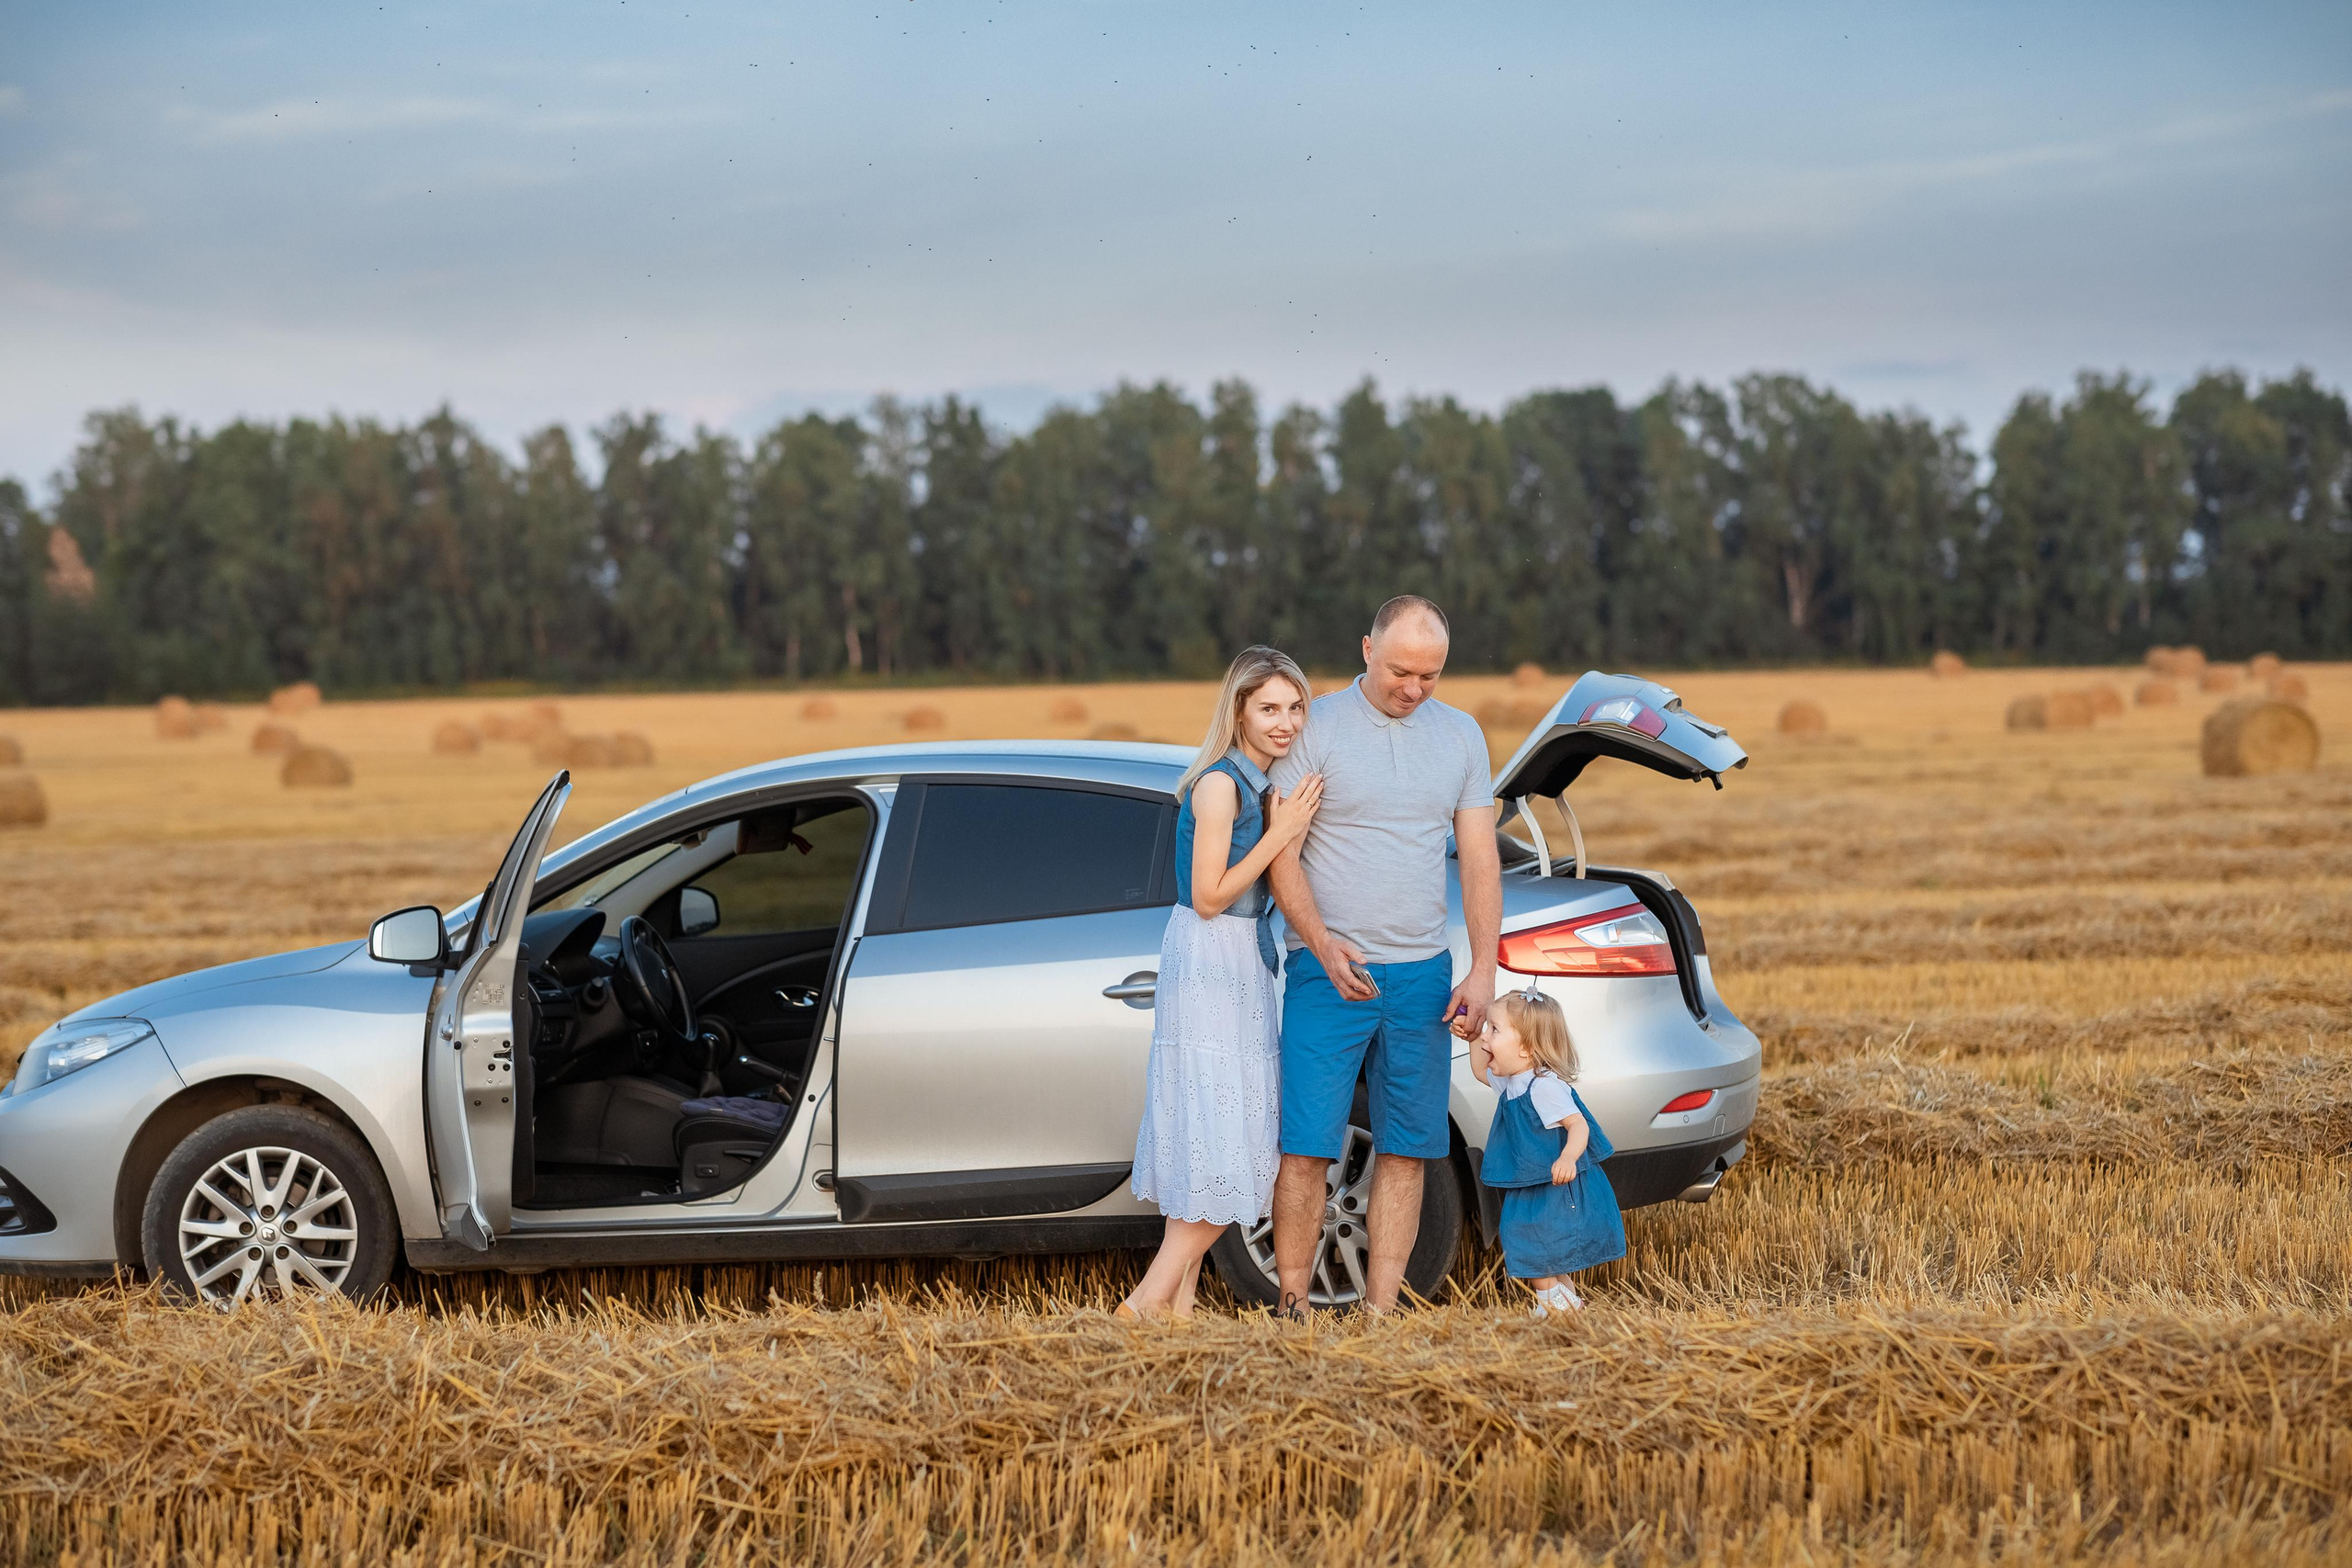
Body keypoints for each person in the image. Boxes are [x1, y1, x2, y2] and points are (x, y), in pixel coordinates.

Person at [1266, 595, 1502, 1315]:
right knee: (1307, 1144)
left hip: (1423, 973)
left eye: (1430, 675)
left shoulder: (1461, 736)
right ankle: (1293, 1305)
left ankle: (1381, 1311)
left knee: (1410, 1148)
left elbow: (1480, 858)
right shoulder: (1318, 726)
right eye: (1402, 670)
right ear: (1367, 649)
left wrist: (1484, 966)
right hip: (1325, 972)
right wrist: (1320, 940)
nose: (1414, 688)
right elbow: (1282, 854)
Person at [1119, 647, 1323, 1320]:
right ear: (1238, 710)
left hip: (1237, 959)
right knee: (1227, 1139)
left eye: (1295, 707)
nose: (1285, 722)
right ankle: (1145, 1301)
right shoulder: (1219, 785)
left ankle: (1176, 1312)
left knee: (1219, 1130)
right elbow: (1208, 895)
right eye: (1269, 707)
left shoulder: (1255, 781)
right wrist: (1282, 832)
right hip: (1213, 955)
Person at [1466, 985, 1625, 1316]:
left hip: (1553, 1184)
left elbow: (1578, 1126)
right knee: (1539, 1247)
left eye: (1494, 1030)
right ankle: (1567, 1306)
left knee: (1528, 1242)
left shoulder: (1544, 1087)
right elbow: (1480, 1070)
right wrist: (1472, 1034)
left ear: (1525, 1048)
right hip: (1530, 1182)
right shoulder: (1514, 1081)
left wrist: (1568, 1157)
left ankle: (1553, 1306)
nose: (1486, 1038)